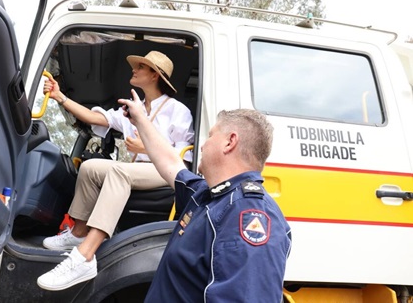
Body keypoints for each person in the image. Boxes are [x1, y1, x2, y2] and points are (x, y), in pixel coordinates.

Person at [37, 51, 194, 291]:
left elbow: (183, 160)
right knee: (90, 167)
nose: (134, 69)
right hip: (137, 169)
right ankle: (79, 232)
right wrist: (60, 97)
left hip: (165, 172)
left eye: (141, 66)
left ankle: (85, 257)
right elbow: (93, 117)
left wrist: (147, 148)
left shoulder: (178, 111)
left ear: (154, 75)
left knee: (119, 172)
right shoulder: (133, 109)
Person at [119, 90, 292, 302]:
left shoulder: (247, 215)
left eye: (210, 135)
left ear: (230, 142)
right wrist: (140, 119)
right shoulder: (208, 196)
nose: (202, 144)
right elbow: (171, 162)